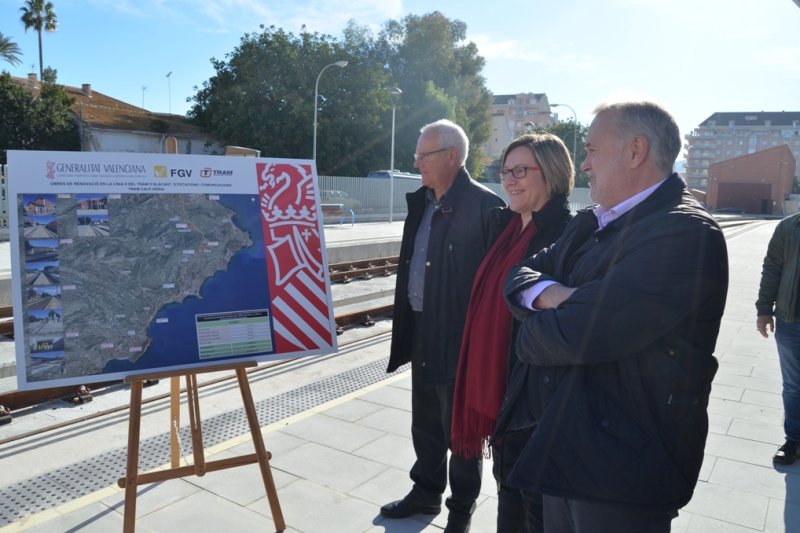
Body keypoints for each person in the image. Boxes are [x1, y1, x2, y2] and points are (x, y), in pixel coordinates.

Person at [502, 101, 729, 532]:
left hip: (623, 471)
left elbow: (578, 335)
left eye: (591, 150)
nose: (583, 164)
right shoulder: (593, 222)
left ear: (635, 151)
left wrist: (535, 324)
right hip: (565, 444)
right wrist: (564, 296)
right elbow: (516, 276)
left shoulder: (685, 233)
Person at [381, 119, 504, 533]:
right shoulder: (423, 202)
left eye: (423, 155)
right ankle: (425, 490)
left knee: (462, 433)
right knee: (426, 421)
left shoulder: (487, 207)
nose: (416, 163)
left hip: (462, 337)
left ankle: (461, 509)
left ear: (451, 156)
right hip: (421, 327)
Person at [450, 133, 573, 533]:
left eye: (521, 171)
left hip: (532, 401)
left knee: (526, 511)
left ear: (552, 174)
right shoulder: (505, 228)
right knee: (509, 497)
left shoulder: (566, 235)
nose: (509, 180)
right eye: (505, 171)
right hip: (504, 396)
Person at [756, 214, 800, 465]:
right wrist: (764, 309)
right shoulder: (789, 227)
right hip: (791, 320)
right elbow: (772, 266)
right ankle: (794, 439)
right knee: (794, 385)